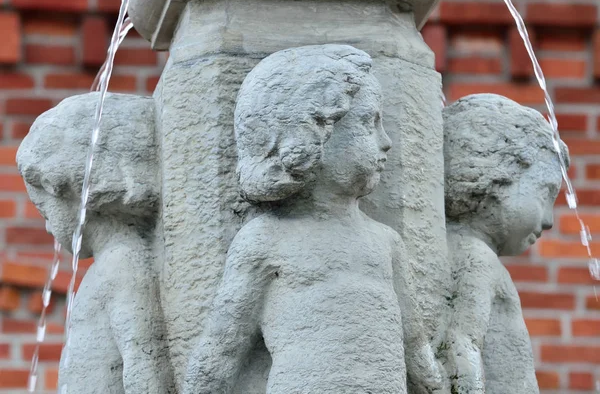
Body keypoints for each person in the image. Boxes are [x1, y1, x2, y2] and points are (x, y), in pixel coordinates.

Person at [183, 44, 445, 394]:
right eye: (370, 123)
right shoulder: (266, 239)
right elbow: (221, 349)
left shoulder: (385, 242)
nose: (387, 142)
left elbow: (415, 345)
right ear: (312, 135)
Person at [17, 93, 175, 394]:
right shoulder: (111, 263)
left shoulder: (123, 263)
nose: (48, 225)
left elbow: (144, 367)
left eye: (45, 209)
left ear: (74, 191)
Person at [442, 94, 568, 394]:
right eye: (544, 194)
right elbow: (462, 345)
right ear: (498, 177)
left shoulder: (472, 253)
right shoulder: (477, 258)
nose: (549, 220)